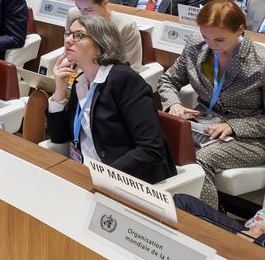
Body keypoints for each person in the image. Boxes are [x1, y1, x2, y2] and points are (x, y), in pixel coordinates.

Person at [159, 0, 265, 207]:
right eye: (206, 37)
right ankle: (168, 209)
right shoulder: (196, 45)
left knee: (200, 159)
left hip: (251, 139)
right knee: (155, 141)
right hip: (202, 124)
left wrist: (233, 126)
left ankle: (208, 221)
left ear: (240, 30)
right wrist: (173, 104)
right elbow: (168, 80)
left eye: (219, 40)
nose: (211, 46)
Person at [46, 15, 174, 183]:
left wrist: (102, 177)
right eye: (68, 34)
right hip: (83, 171)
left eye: (78, 35)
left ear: (100, 45)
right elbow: (59, 137)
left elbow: (151, 149)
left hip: (123, 180)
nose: (69, 40)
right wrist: (60, 91)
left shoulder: (125, 80)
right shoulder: (82, 81)